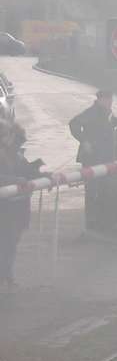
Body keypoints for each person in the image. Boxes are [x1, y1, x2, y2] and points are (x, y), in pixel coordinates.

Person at [69, 90, 117, 228]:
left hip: (105, 157)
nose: (110, 103)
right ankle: (92, 222)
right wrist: (84, 141)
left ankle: (104, 222)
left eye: (111, 100)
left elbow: (111, 123)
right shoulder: (91, 112)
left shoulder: (107, 113)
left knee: (106, 189)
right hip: (92, 157)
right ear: (100, 100)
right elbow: (73, 123)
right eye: (108, 100)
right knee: (93, 190)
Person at [0, 120, 45, 291]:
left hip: (17, 207)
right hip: (5, 209)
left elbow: (25, 170)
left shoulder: (17, 154)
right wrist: (15, 180)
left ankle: (7, 274)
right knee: (6, 242)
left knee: (11, 242)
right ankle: (4, 275)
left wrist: (40, 172)